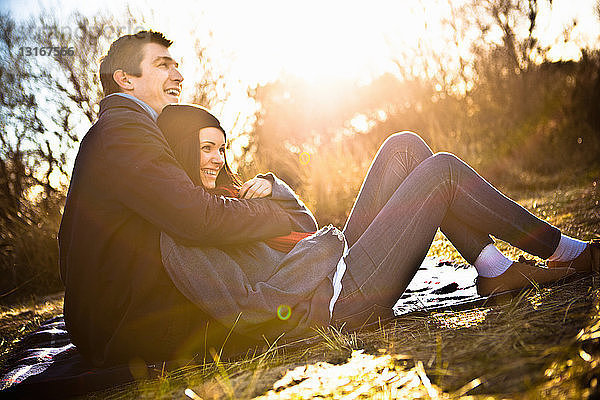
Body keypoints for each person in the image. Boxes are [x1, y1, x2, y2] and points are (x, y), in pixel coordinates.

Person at [157, 104, 600, 344]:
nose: (217, 160)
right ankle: (564, 250)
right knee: (441, 171)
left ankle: (493, 268)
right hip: (335, 306)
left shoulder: (227, 199)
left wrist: (275, 189)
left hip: (337, 263)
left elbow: (305, 225)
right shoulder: (183, 236)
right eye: (205, 149)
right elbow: (244, 311)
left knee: (404, 147)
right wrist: (323, 250)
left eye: (221, 148)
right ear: (180, 150)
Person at [58, 31, 294, 367]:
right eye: (163, 65)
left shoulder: (123, 128)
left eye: (177, 67)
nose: (179, 76)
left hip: (122, 315)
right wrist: (276, 216)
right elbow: (198, 218)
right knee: (284, 303)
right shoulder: (124, 132)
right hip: (132, 326)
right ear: (125, 79)